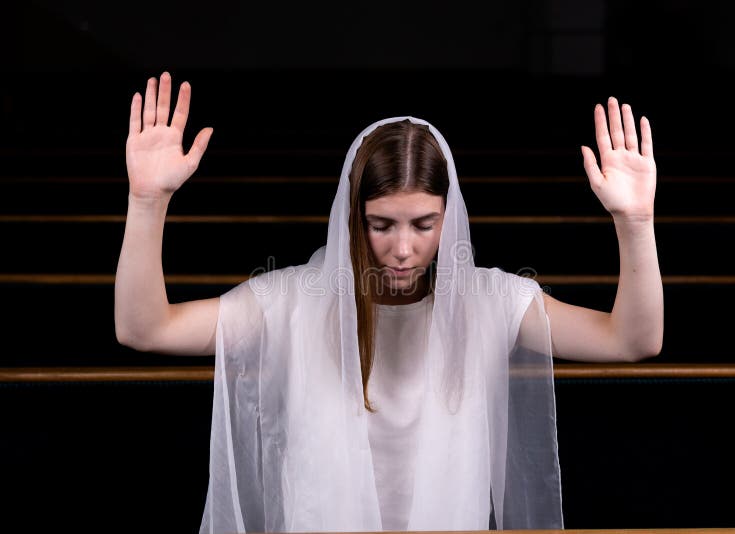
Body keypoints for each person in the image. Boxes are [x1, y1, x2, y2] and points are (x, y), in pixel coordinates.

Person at [115, 72, 663, 533]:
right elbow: (146, 329)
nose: (403, 250)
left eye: (424, 224)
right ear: (352, 218)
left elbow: (633, 341)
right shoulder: (291, 303)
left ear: (449, 217)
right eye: (380, 225)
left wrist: (635, 223)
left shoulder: (493, 302)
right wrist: (147, 201)